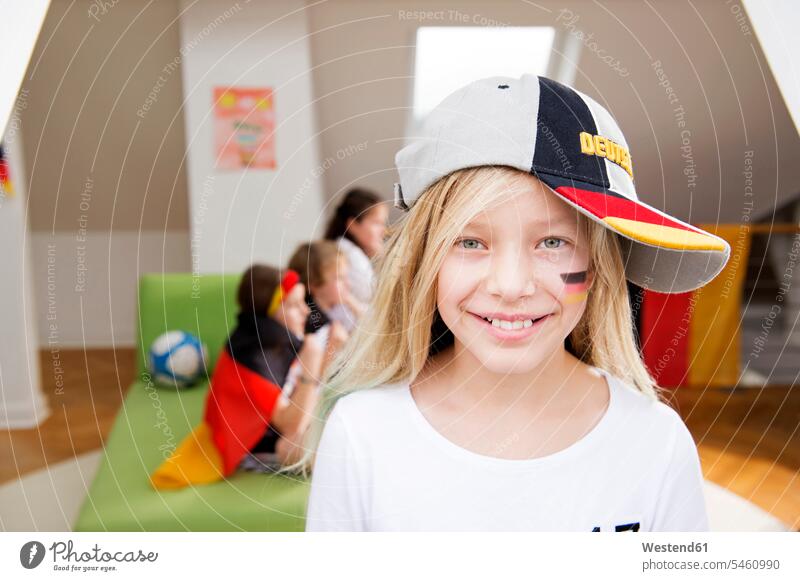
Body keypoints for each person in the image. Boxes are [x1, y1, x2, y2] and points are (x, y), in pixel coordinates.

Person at [298, 75, 731, 531]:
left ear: (601, 265)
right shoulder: (362, 434)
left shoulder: (656, 444)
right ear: (424, 262)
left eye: (552, 241)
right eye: (469, 241)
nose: (509, 285)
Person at [150, 265, 329, 488]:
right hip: (263, 444)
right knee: (301, 446)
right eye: (293, 305)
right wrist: (312, 367)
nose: (306, 311)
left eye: (304, 302)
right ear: (269, 311)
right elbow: (291, 424)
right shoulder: (253, 359)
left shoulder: (275, 337)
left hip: (288, 419)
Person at [323, 188, 388, 331]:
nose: (383, 230)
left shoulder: (345, 249)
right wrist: (385, 259)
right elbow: (381, 303)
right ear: (352, 225)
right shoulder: (349, 256)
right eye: (376, 223)